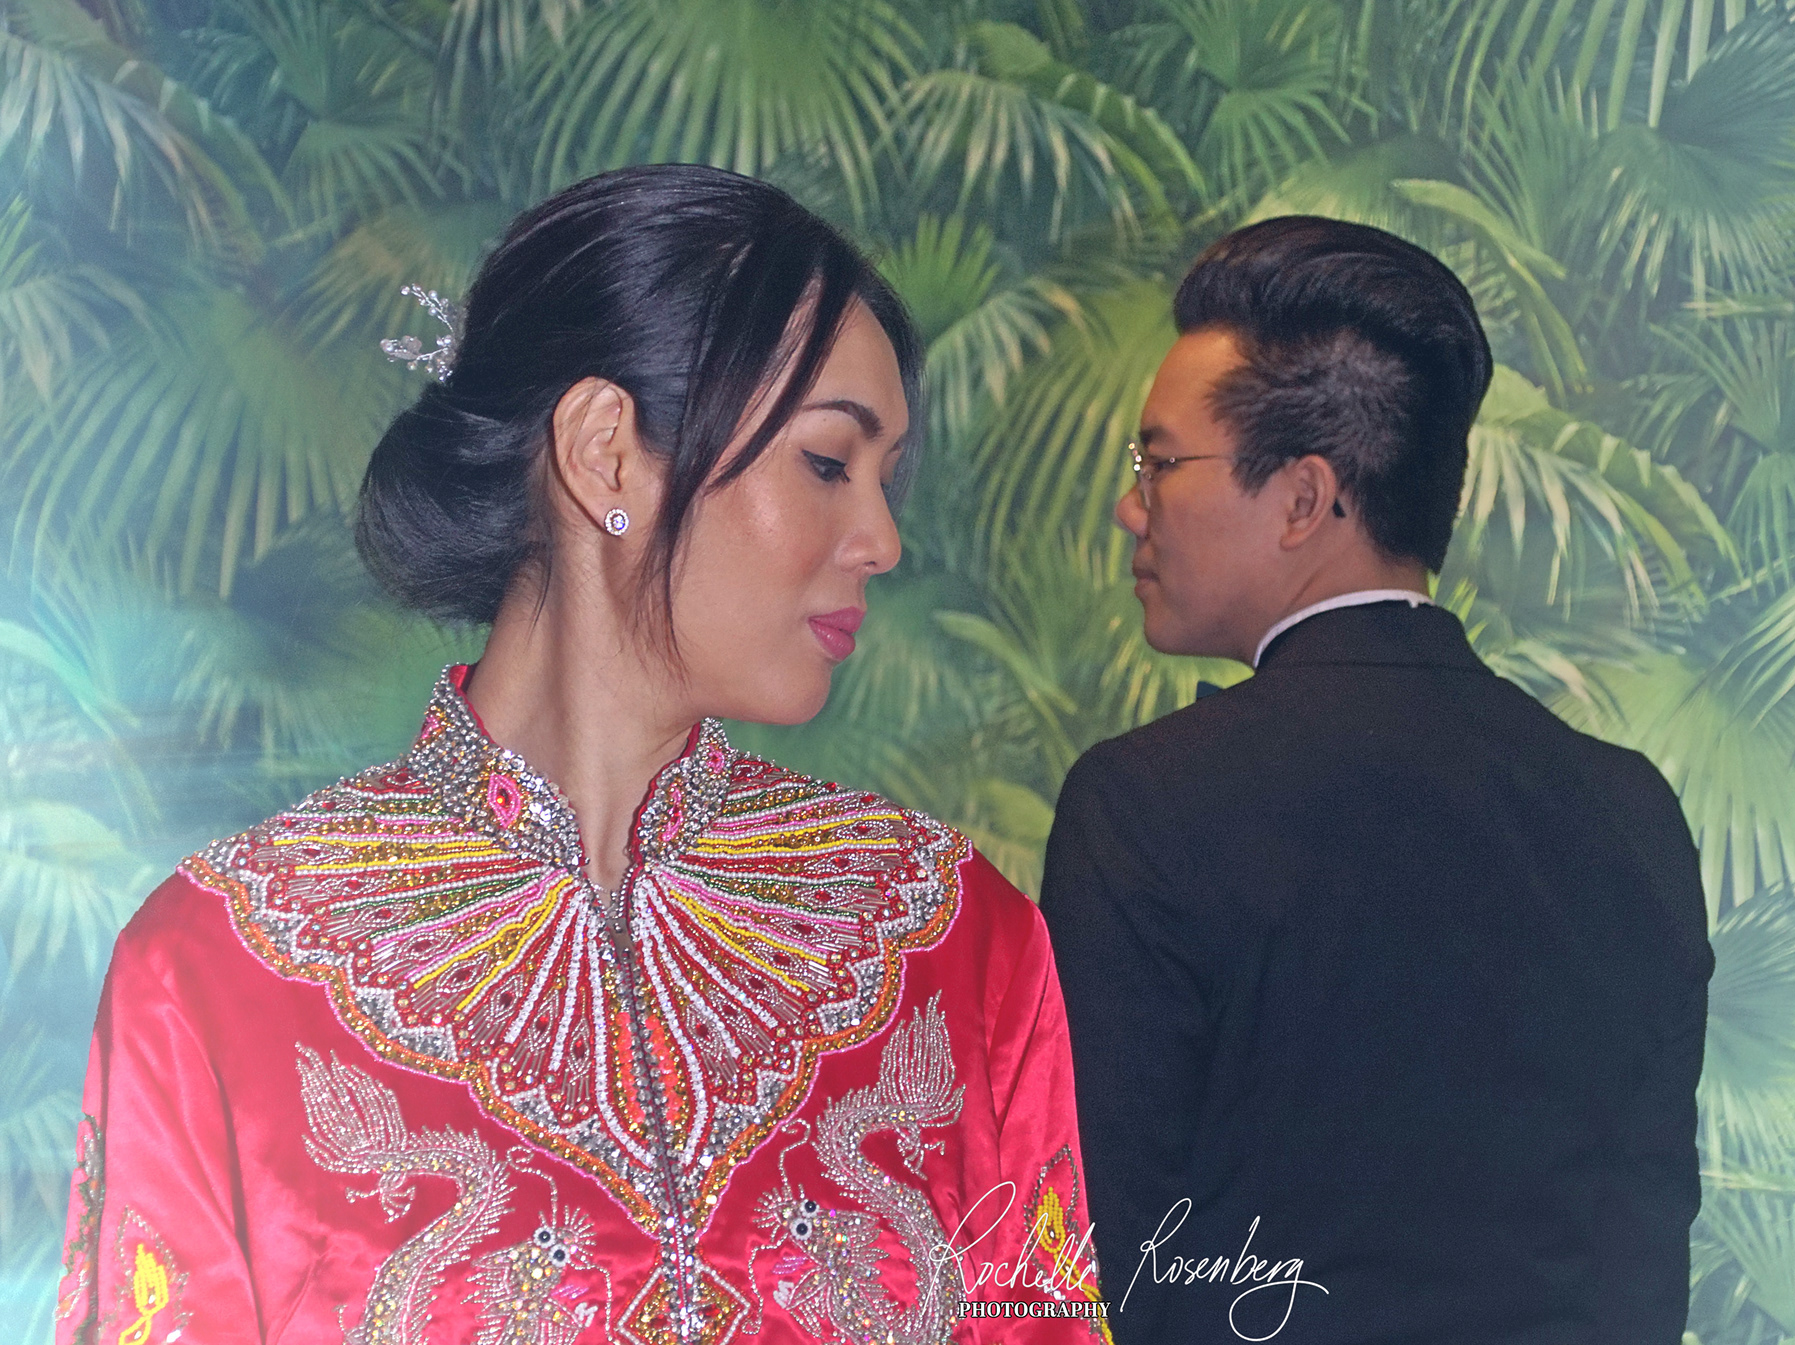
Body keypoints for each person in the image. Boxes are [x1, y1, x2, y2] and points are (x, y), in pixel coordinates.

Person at [54, 166, 1108, 1345]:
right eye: (827, 462)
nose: (881, 539)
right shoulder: (216, 974)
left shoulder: (954, 938)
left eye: (883, 478)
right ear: (606, 453)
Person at [1040, 217, 1712, 1344]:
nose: (1131, 504)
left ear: (1305, 499)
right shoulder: (1629, 808)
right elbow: (1645, 1259)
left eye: (1158, 462)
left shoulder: (1148, 804)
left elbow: (1101, 1264)